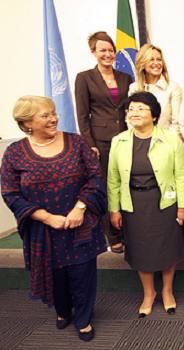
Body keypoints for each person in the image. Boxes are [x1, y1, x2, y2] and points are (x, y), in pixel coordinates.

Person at [1, 96, 107, 341]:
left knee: (82, 275)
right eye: (45, 115)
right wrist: (47, 217)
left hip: (79, 224)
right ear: (27, 122)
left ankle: (83, 318)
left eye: (53, 113)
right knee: (56, 277)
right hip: (43, 230)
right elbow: (10, 193)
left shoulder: (77, 142)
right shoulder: (14, 153)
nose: (54, 118)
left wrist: (80, 208)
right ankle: (62, 310)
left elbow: (95, 178)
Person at [107, 92, 184, 317]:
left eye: (141, 109)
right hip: (133, 203)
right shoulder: (119, 141)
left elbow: (181, 174)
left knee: (168, 247)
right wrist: (114, 208)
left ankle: (167, 291)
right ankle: (148, 293)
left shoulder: (171, 138)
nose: (134, 112)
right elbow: (113, 178)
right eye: (131, 109)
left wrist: (183, 206)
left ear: (154, 115)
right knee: (140, 249)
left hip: (165, 202)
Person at [75, 31, 132, 254]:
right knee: (109, 187)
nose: (108, 54)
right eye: (102, 50)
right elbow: (82, 114)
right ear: (93, 52)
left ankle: (130, 231)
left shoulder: (126, 78)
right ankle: (113, 235)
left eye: (110, 50)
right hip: (101, 142)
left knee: (127, 183)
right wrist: (90, 144)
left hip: (126, 138)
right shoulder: (84, 77)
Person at [129, 43, 182, 132]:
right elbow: (130, 120)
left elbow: (176, 123)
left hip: (165, 142)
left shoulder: (173, 88)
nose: (156, 63)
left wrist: (165, 142)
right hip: (139, 142)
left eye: (159, 59)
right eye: (151, 60)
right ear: (143, 63)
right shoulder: (134, 88)